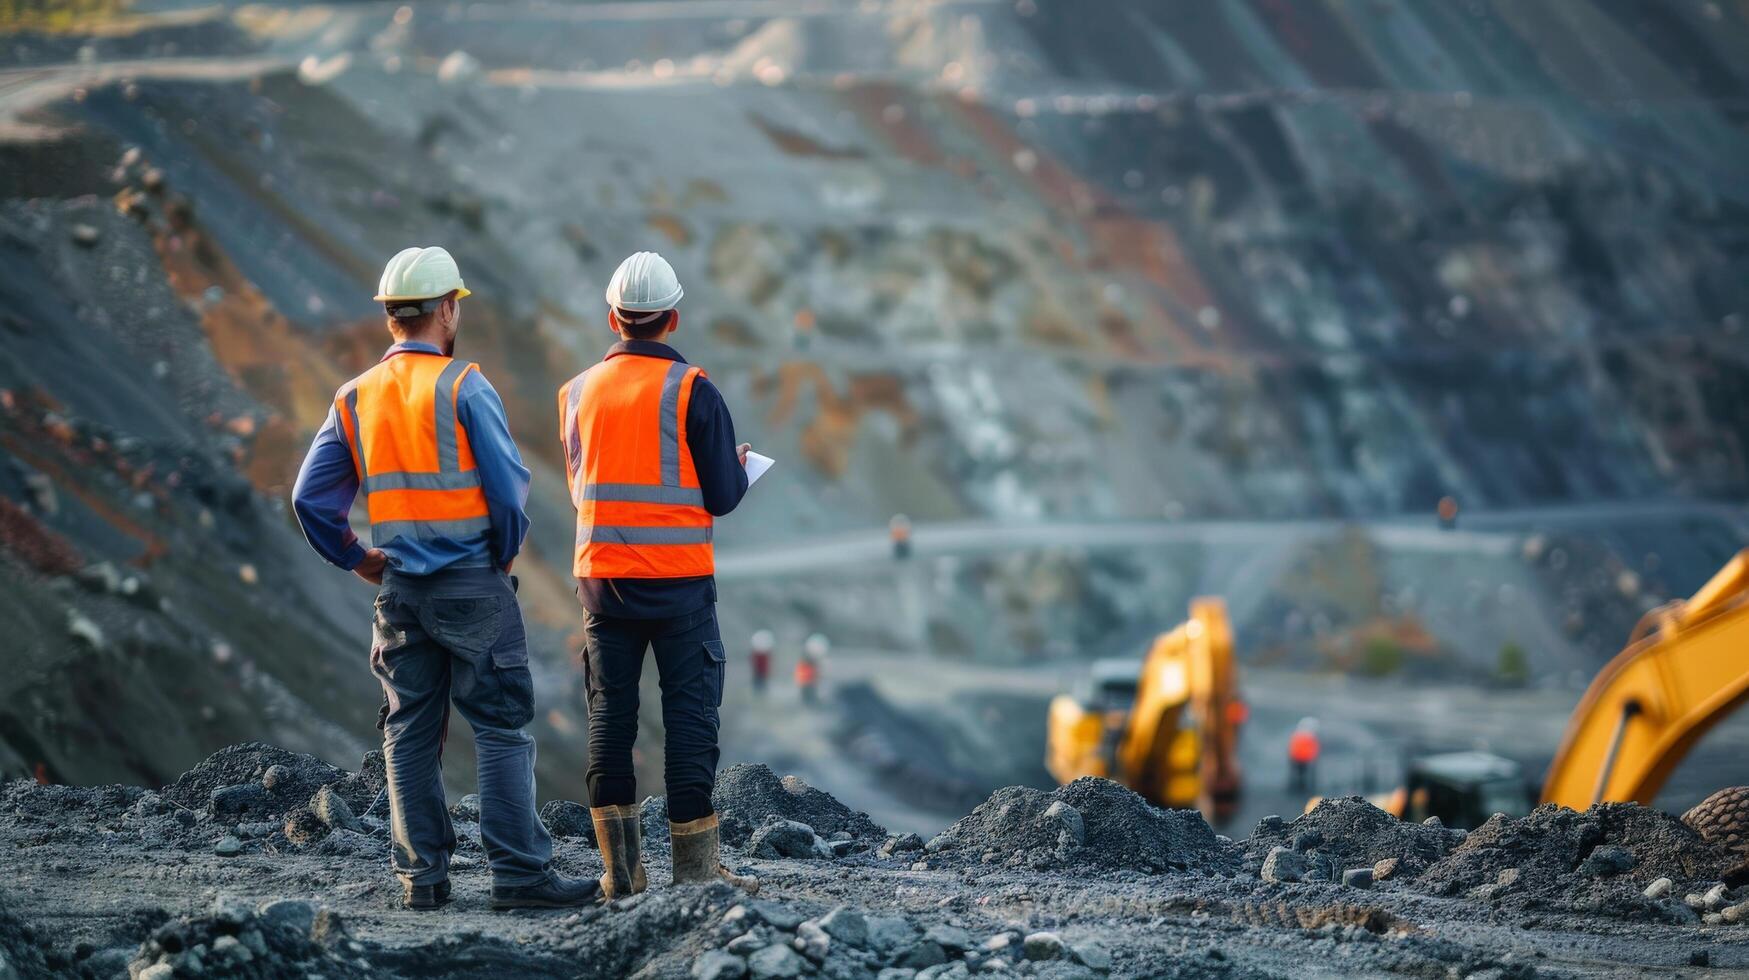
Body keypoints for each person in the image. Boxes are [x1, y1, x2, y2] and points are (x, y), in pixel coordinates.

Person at [293, 246, 596, 911]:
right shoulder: (464, 386)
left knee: (408, 730)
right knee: (500, 726)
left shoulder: (354, 397)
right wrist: (504, 556)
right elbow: (509, 495)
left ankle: (421, 881)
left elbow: (310, 500)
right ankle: (519, 878)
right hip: (471, 583)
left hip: (398, 591)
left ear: (390, 317)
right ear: (446, 310)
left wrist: (357, 556)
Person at [557, 250, 757, 898]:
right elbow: (722, 495)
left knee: (610, 717)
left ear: (614, 316)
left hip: (602, 580)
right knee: (689, 716)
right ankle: (695, 872)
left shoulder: (577, 391)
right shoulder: (693, 389)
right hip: (677, 584)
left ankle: (620, 873)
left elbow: (582, 485)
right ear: (672, 317)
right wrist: (732, 464)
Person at [1288, 716, 1321, 795]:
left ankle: (1298, 790)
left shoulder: (1298, 735)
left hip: (1300, 759)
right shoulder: (1305, 737)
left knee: (1299, 775)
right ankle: (1298, 790)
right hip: (1301, 759)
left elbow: (1313, 748)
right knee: (1300, 775)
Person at [749, 629, 775, 695]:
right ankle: (759, 694)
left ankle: (761, 694)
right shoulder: (758, 654)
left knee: (761, 685)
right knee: (759, 685)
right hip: (758, 673)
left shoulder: (763, 655)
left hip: (761, 673)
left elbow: (766, 665)